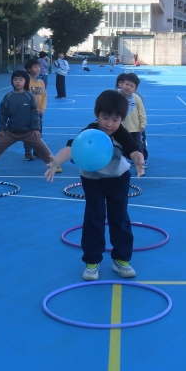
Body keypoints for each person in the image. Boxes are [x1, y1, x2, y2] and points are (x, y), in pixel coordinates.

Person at [45, 90, 145, 281]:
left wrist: (138, 159)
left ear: (122, 119)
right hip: (92, 181)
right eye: (105, 118)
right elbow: (71, 148)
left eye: (115, 120)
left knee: (119, 217)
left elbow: (133, 150)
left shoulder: (121, 133)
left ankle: (121, 259)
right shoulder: (89, 132)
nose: (109, 124)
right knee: (94, 218)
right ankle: (92, 261)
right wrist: (56, 161)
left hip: (118, 179)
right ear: (96, 114)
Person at [0, 70, 60, 172]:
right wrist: (2, 128)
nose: (18, 82)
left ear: (25, 81)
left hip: (28, 132)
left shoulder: (29, 96)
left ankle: (53, 164)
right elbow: (3, 114)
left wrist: (35, 128)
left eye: (20, 79)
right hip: (11, 132)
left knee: (41, 147)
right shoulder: (8, 97)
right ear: (12, 81)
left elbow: (34, 113)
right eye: (15, 79)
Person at [117, 72, 147, 163]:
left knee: (138, 146)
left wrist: (143, 124)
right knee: (120, 145)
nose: (128, 87)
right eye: (126, 84)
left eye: (131, 86)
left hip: (135, 128)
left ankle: (140, 161)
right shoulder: (116, 96)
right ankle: (122, 162)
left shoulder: (137, 98)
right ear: (121, 84)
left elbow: (142, 112)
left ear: (135, 89)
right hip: (120, 128)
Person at [23, 58, 48, 161]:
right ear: (29, 69)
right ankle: (28, 152)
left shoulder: (41, 82)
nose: (38, 69)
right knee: (29, 132)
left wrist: (42, 108)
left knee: (38, 131)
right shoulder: (26, 82)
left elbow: (44, 96)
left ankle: (37, 151)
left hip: (39, 112)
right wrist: (34, 109)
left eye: (38, 67)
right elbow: (26, 97)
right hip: (29, 112)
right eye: (35, 67)